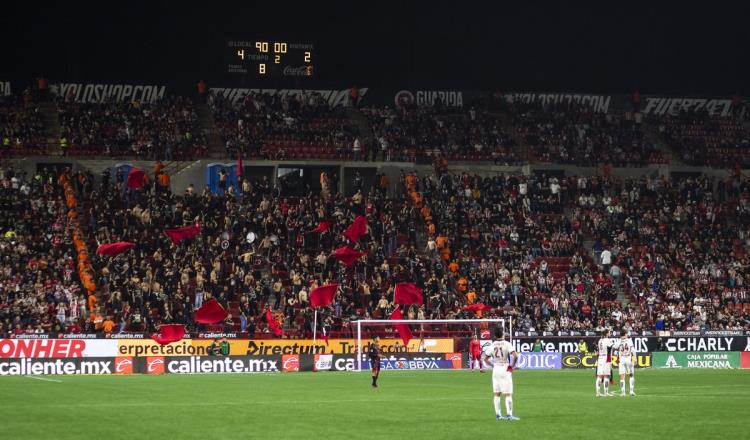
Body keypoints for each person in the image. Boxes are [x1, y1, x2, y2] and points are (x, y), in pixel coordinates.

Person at [482, 328, 519, 421]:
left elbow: (485, 358)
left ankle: (498, 415)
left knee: (497, 393)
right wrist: (512, 366)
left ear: (495, 335)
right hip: (505, 368)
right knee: (508, 394)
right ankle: (509, 415)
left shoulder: (493, 344)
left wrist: (492, 365)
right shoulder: (507, 344)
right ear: (503, 334)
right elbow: (516, 355)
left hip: (496, 369)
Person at [615, 331, 636, 396]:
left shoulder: (618, 341)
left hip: (621, 360)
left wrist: (620, 340)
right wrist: (635, 358)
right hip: (628, 360)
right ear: (625, 334)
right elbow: (633, 350)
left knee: (622, 376)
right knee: (631, 375)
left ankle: (623, 392)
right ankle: (631, 391)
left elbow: (615, 347)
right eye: (626, 334)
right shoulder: (629, 340)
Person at [595, 329, 615, 397]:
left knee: (599, 376)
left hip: (600, 358)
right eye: (609, 332)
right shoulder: (608, 340)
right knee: (607, 375)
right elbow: (612, 347)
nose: (610, 333)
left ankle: (598, 393)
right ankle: (606, 392)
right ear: (606, 333)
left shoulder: (600, 340)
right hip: (606, 358)